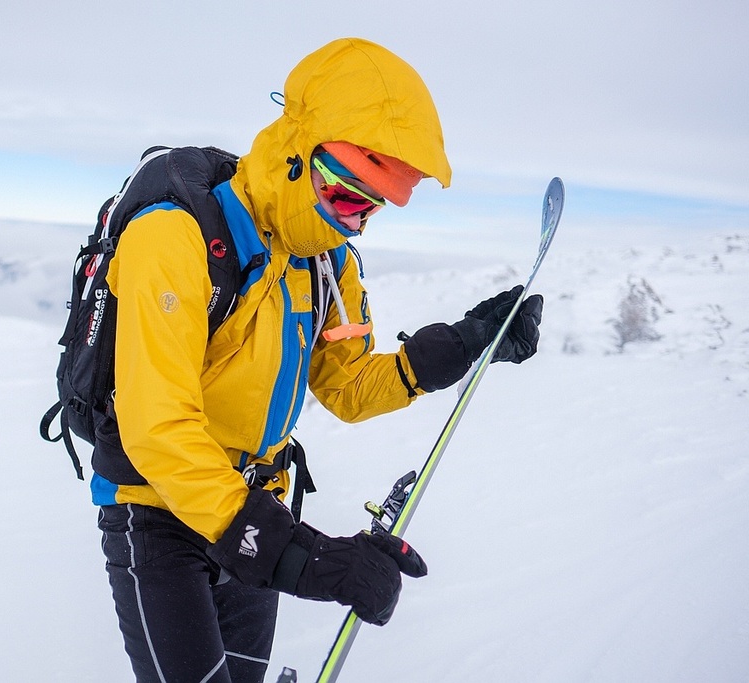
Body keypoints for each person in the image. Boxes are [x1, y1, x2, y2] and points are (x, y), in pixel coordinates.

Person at [94, 37, 543, 683]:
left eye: (372, 206)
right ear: (299, 152)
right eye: (347, 194)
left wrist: (468, 340)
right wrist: (303, 557)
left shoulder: (327, 263)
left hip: (257, 499)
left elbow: (350, 387)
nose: (356, 222)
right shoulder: (175, 236)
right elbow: (158, 429)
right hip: (157, 509)